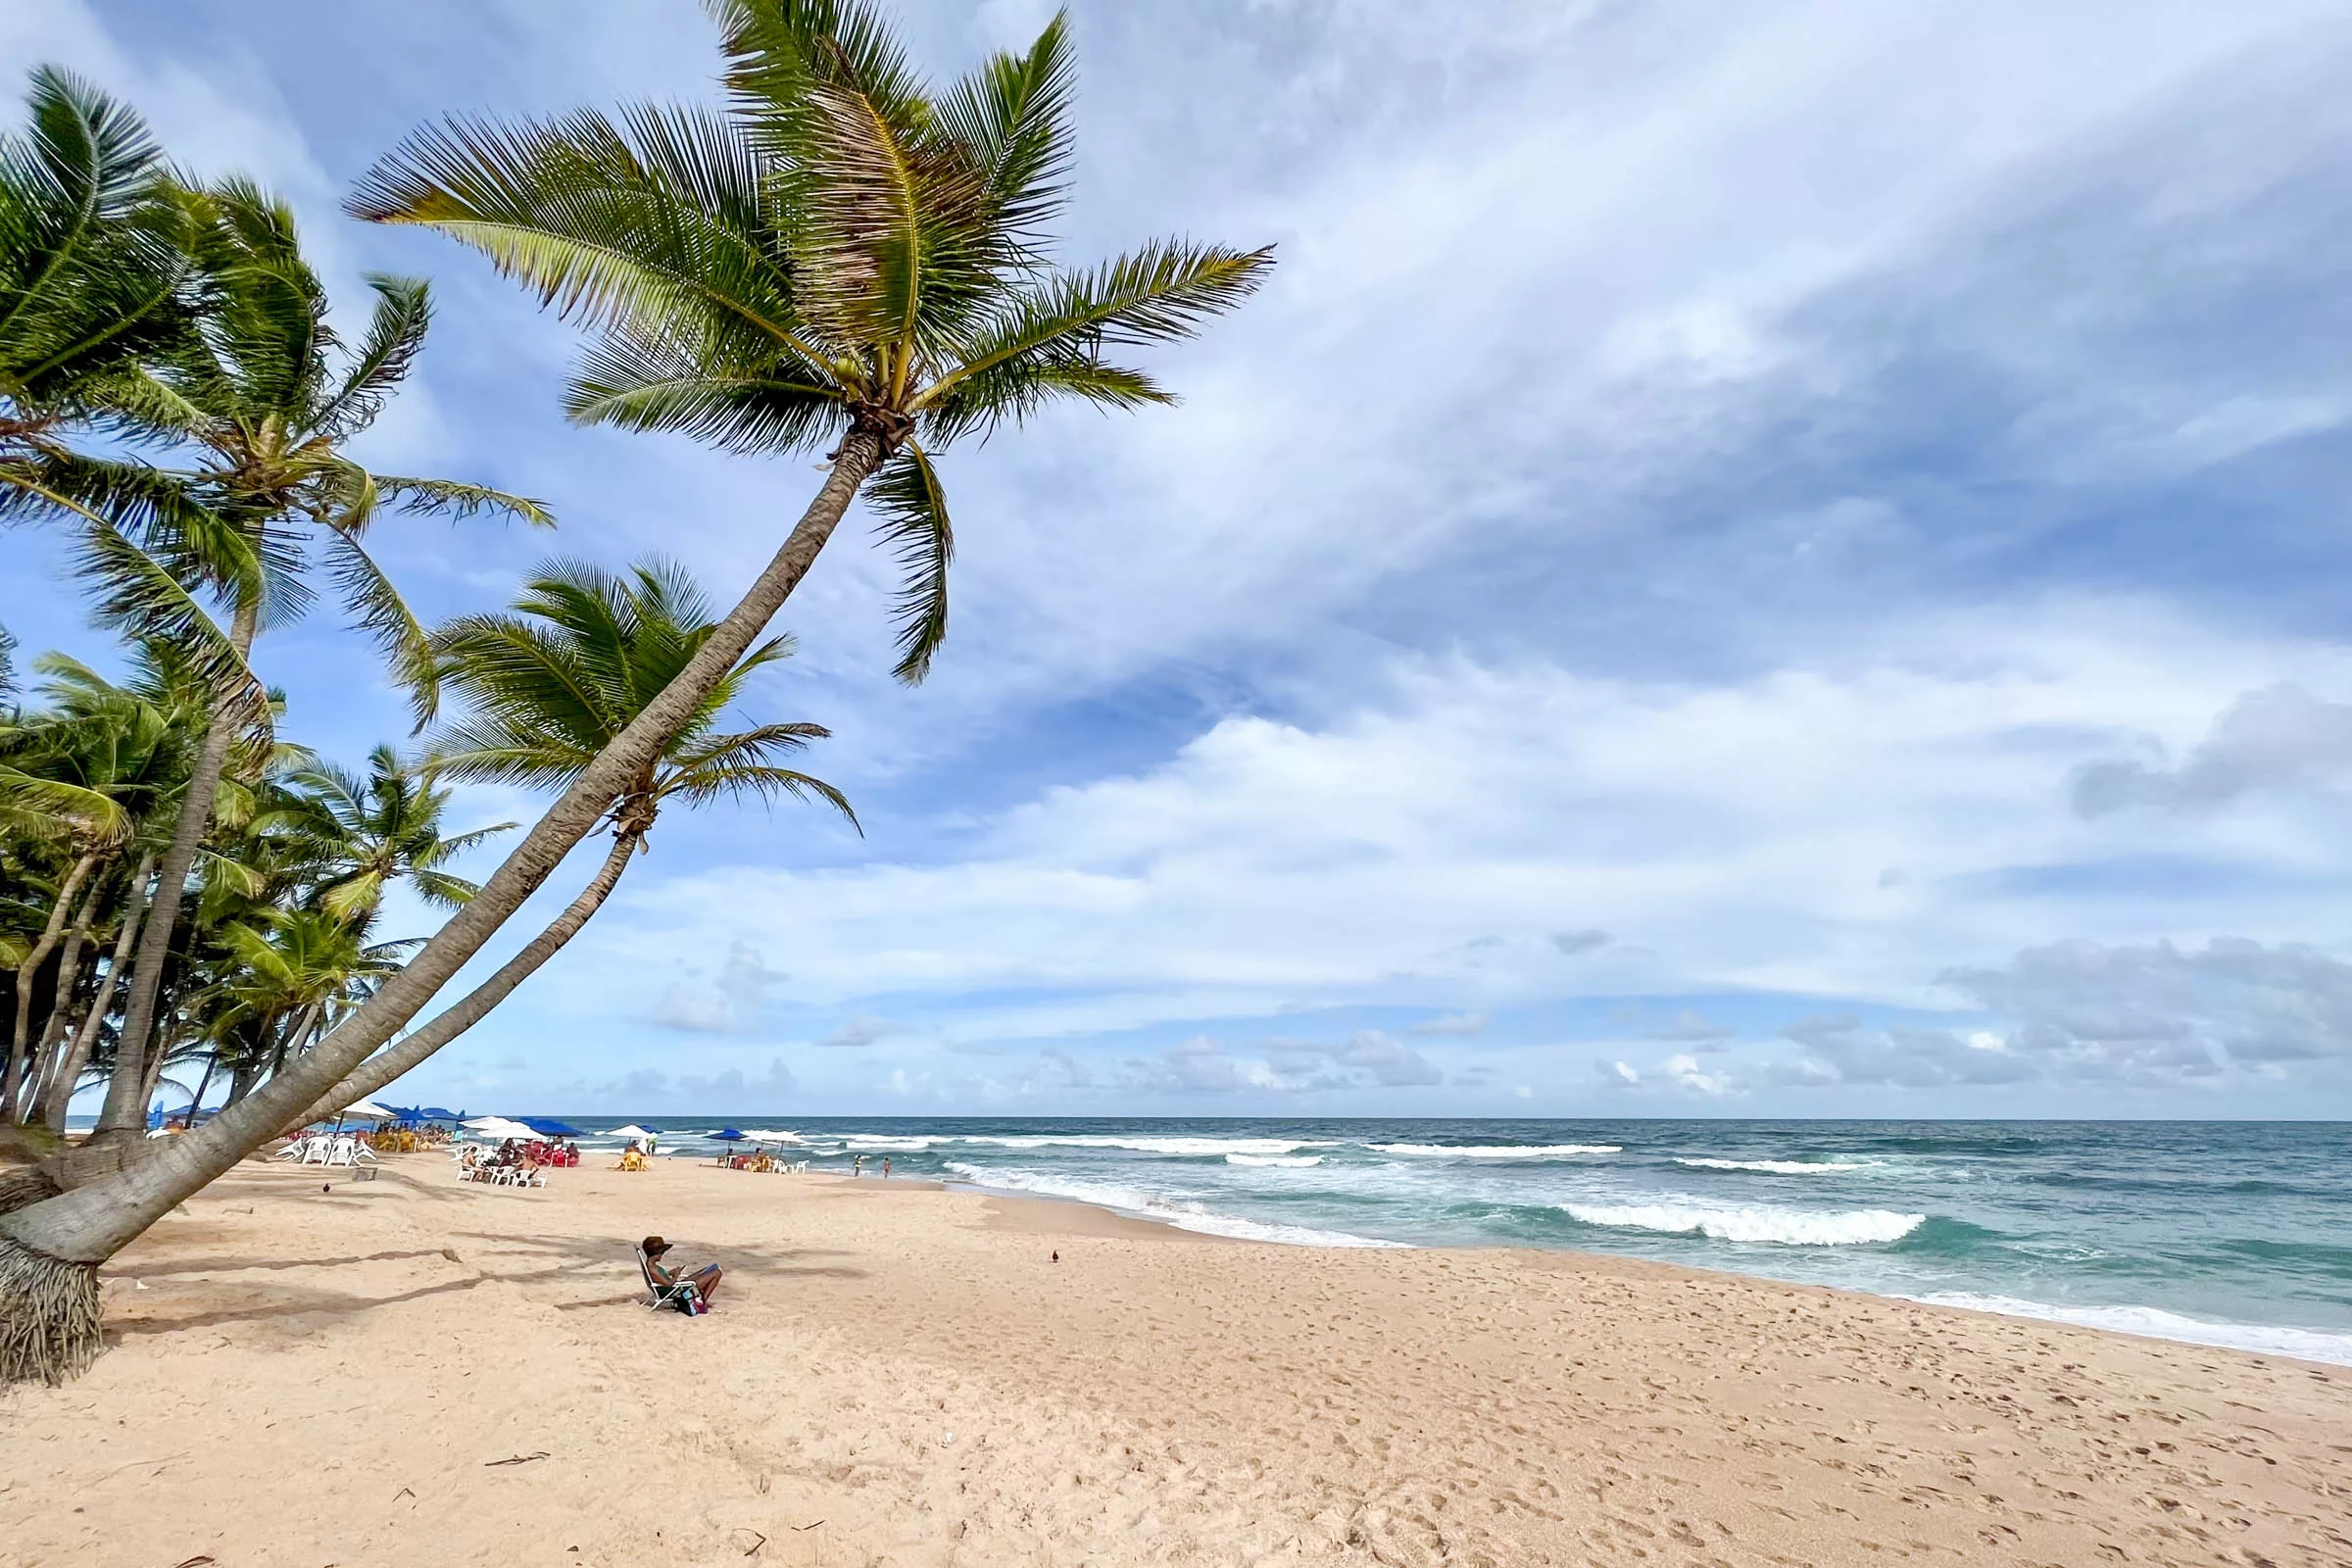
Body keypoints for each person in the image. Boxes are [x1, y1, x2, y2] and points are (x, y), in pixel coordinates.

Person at [641, 1236, 721, 1305]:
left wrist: (670, 1273)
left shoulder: (651, 1266)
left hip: (677, 1288)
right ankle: (702, 1301)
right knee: (717, 1273)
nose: (662, 1255)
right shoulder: (652, 1269)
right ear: (657, 1253)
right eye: (662, 1252)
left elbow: (659, 1278)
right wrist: (676, 1274)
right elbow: (669, 1284)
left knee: (705, 1271)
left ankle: (701, 1300)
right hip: (677, 1292)